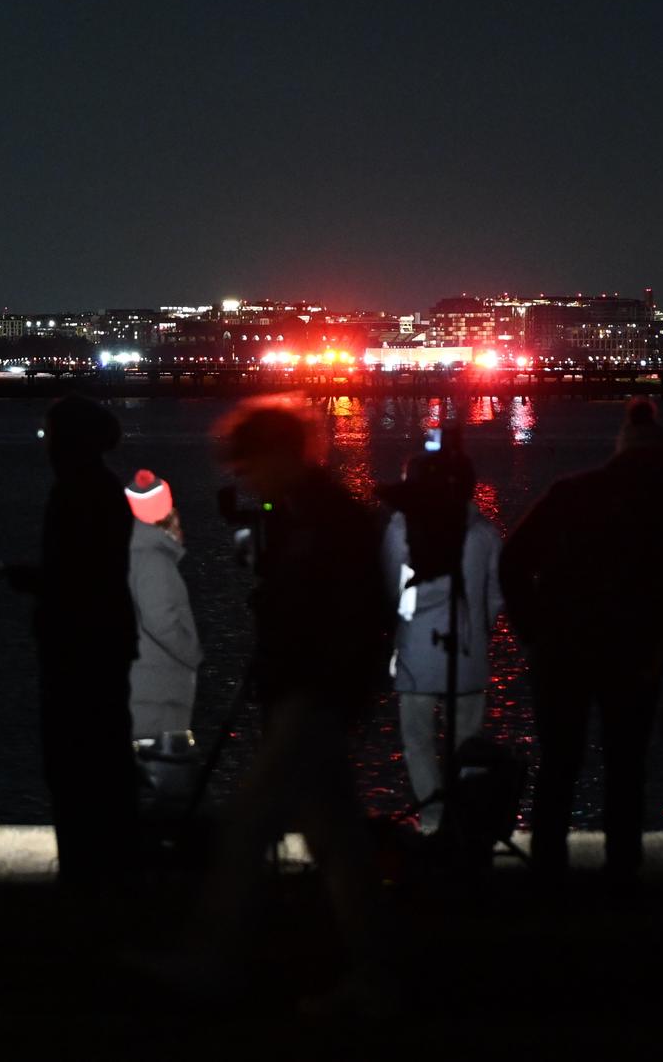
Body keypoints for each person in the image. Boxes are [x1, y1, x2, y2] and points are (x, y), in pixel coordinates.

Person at [174, 396, 396, 1016]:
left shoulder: (324, 522)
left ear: (274, 454)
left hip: (310, 696)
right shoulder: (323, 515)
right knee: (338, 843)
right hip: (319, 694)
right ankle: (375, 976)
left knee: (248, 828)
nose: (243, 479)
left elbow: (335, 615)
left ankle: (214, 965)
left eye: (247, 464)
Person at [499, 398, 663, 894]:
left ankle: (548, 868)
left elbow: (512, 561)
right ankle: (622, 869)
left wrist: (531, 631)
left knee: (559, 762)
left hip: (560, 647)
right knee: (626, 766)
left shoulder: (570, 493)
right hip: (634, 653)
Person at [10, 396, 139, 890]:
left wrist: (37, 582)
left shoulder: (77, 492)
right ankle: (110, 865)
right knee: (104, 757)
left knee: (75, 760)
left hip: (79, 641)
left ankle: (88, 870)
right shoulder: (101, 488)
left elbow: (78, 574)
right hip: (103, 636)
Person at [384, 456, 503, 834]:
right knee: (466, 745)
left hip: (416, 654)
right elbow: (496, 595)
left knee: (418, 741)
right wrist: (480, 630)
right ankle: (463, 823)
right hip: (467, 655)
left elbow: (389, 585)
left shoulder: (400, 527)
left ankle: (432, 820)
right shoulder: (483, 531)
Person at [124, 469, 201, 740]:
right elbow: (160, 621)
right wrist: (192, 654)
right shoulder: (153, 561)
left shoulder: (127, 555)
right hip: (156, 704)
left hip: (140, 699)